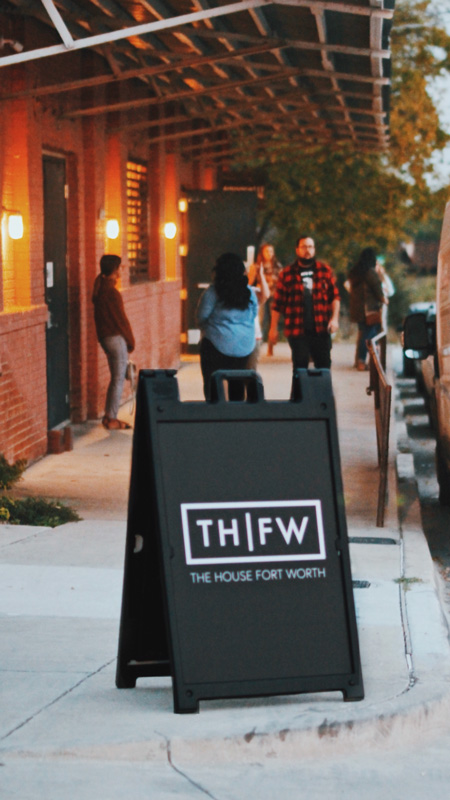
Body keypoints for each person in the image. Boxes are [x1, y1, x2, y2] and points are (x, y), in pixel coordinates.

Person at [268, 235, 340, 370]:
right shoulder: (287, 273)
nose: (307, 250)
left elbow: (334, 297)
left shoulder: (324, 271)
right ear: (297, 250)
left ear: (314, 249)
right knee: (300, 368)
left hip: (321, 328)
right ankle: (299, 392)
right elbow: (278, 303)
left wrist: (334, 319)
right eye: (304, 247)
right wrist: (273, 328)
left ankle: (323, 392)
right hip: (297, 330)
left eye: (310, 247)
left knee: (324, 366)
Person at [197, 252, 258, 401]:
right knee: (237, 384)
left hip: (217, 345)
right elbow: (254, 314)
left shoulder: (212, 293)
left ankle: (215, 406)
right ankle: (236, 412)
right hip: (245, 347)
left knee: (213, 380)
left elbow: (201, 317)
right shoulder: (249, 293)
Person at [92, 254, 135, 429]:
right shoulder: (112, 293)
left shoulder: (99, 290)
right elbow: (121, 320)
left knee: (115, 378)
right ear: (114, 270)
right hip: (116, 339)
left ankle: (108, 416)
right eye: (119, 269)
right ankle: (112, 418)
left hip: (105, 339)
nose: (120, 272)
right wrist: (130, 341)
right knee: (118, 379)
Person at [347, 247, 387, 371]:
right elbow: (377, 289)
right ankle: (364, 361)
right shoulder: (370, 272)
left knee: (363, 334)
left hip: (357, 310)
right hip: (369, 310)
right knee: (369, 336)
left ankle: (360, 360)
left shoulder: (355, 272)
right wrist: (383, 299)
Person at [248, 243, 282, 355]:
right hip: (260, 295)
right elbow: (249, 281)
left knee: (273, 321)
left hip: (274, 295)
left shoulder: (277, 266)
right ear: (262, 253)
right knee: (260, 320)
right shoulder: (256, 266)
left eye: (271, 251)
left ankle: (270, 347)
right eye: (267, 251)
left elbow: (282, 282)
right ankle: (257, 345)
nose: (269, 254)